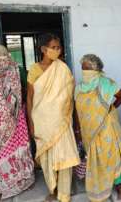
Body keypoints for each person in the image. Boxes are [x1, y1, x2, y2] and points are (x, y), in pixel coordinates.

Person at [27, 33, 80, 202]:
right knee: (47, 158)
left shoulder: (62, 68)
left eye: (59, 47)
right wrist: (31, 123)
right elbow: (29, 98)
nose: (58, 50)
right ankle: (53, 189)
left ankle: (64, 193)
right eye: (54, 47)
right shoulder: (34, 69)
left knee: (64, 156)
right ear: (44, 49)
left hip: (61, 121)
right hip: (42, 122)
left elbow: (69, 94)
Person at [0, 45, 34, 200]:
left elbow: (29, 94)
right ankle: (0, 186)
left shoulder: (19, 72)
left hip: (17, 123)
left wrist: (31, 120)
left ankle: (22, 181)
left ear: (5, 56)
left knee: (18, 154)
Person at [75, 54, 121, 202]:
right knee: (95, 159)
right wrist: (78, 130)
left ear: (96, 69)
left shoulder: (107, 83)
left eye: (87, 68)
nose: (84, 71)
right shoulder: (79, 88)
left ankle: (119, 186)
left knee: (111, 156)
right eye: (82, 68)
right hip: (88, 132)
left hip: (107, 128)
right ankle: (100, 187)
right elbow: (76, 111)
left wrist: (110, 109)